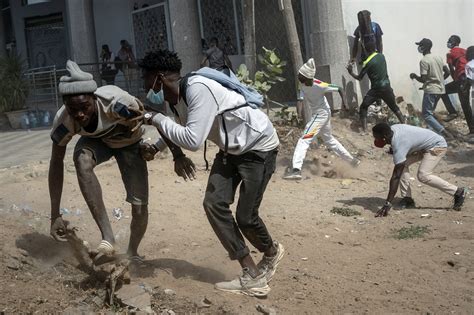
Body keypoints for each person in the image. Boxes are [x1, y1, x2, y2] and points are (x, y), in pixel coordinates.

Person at [139, 49, 284, 297]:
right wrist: (158, 146)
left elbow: (193, 140)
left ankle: (271, 251)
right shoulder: (175, 98)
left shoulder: (197, 89)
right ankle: (252, 274)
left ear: (158, 77)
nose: (144, 85)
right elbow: (183, 125)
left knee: (247, 218)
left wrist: (155, 119)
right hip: (231, 150)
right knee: (213, 203)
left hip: (258, 148)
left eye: (145, 78)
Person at [49, 60, 194, 264]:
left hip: (130, 144)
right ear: (66, 106)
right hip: (97, 142)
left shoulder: (118, 104)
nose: (80, 114)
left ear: (94, 98)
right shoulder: (65, 121)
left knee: (139, 207)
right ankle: (107, 238)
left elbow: (155, 116)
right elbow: (56, 162)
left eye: (85, 107)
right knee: (82, 160)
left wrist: (177, 155)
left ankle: (132, 252)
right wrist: (54, 214)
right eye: (74, 109)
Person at [283, 58, 360, 180]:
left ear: (308, 77)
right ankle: (352, 161)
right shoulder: (300, 83)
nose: (298, 76)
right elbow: (300, 99)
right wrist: (299, 112)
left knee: (304, 139)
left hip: (321, 114)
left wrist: (345, 104)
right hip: (320, 114)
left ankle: (296, 169)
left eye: (300, 75)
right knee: (329, 139)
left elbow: (339, 88)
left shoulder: (319, 85)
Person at [371, 122, 467, 217]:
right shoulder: (392, 130)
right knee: (403, 165)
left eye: (377, 137)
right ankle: (407, 199)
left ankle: (458, 192)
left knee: (423, 175)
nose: (376, 140)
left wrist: (387, 203)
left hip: (437, 146)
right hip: (423, 146)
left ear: (385, 136)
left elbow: (396, 176)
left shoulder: (399, 143)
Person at [347, 42, 405, 132]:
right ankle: (405, 125)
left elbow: (359, 78)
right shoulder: (382, 56)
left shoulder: (368, 63)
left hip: (376, 90)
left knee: (363, 107)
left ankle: (365, 130)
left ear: (366, 50)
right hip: (387, 87)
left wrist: (350, 72)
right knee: (394, 107)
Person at [409, 38, 454, 139]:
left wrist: (415, 76)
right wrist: (439, 80)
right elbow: (447, 72)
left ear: (423, 47)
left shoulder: (424, 61)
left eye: (420, 45)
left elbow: (423, 79)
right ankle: (431, 133)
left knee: (426, 115)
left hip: (431, 90)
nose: (418, 48)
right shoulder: (438, 57)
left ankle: (445, 133)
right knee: (430, 112)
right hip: (440, 89)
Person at [444, 35, 473, 134]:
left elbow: (451, 69)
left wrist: (455, 80)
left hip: (461, 78)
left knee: (465, 104)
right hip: (468, 77)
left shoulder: (450, 53)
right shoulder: (465, 51)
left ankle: (452, 112)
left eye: (450, 40)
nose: (448, 42)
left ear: (456, 42)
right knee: (467, 104)